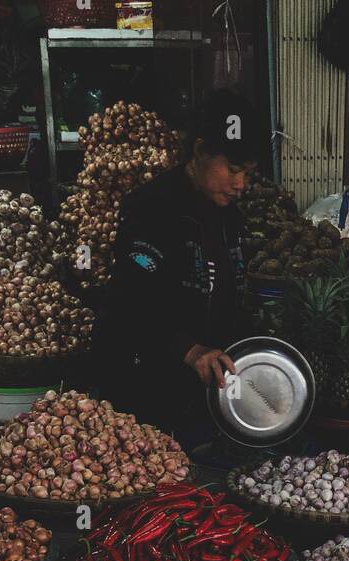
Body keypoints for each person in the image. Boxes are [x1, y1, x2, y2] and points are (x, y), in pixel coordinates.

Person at [96, 90, 259, 437]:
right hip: (149, 390)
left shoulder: (231, 218)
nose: (240, 184)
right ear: (200, 151)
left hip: (206, 397)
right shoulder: (151, 208)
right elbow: (129, 301)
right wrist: (190, 350)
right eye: (232, 170)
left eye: (247, 172)